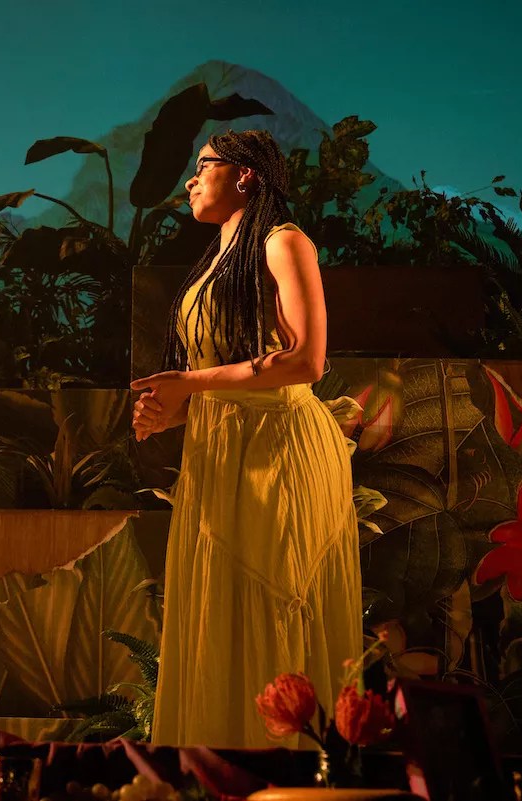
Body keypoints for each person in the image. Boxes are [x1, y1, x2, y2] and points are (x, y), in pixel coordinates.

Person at [131, 129, 361, 748]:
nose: (190, 180)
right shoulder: (218, 257)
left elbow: (307, 361)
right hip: (221, 453)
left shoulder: (283, 242)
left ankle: (286, 766)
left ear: (245, 175)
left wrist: (190, 382)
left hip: (278, 452)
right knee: (221, 612)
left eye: (202, 164)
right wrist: (174, 413)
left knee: (272, 601)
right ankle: (220, 772)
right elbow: (228, 373)